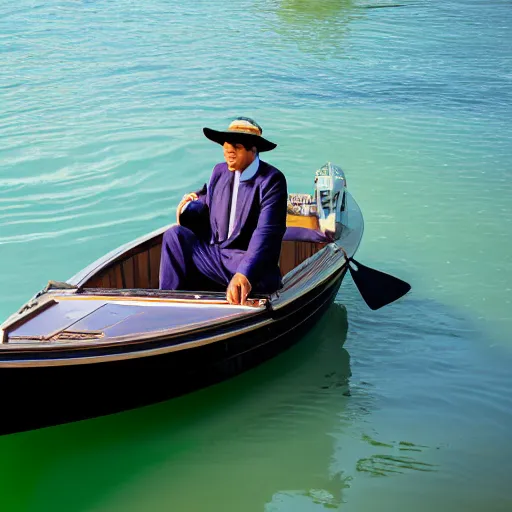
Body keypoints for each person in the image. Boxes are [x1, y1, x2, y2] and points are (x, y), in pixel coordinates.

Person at [159, 116, 288, 305]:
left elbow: (266, 234)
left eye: (236, 145)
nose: (228, 150)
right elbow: (208, 205)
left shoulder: (272, 181)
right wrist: (187, 207)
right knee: (174, 235)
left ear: (253, 149)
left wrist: (244, 274)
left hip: (248, 263)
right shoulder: (219, 172)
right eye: (226, 144)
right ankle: (169, 304)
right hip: (218, 255)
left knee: (255, 272)